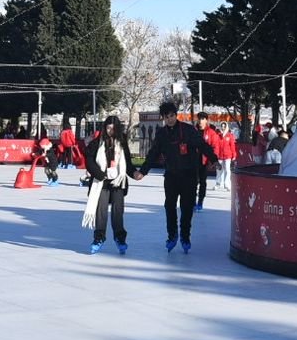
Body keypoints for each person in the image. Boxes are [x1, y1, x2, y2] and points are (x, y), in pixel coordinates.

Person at [134, 101, 216, 253]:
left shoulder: (188, 130)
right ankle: (172, 235)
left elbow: (202, 145)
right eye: (167, 117)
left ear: (176, 115)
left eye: (172, 115)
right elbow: (153, 153)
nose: (170, 119)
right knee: (169, 206)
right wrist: (143, 171)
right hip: (171, 176)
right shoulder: (161, 134)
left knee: (187, 208)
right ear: (163, 118)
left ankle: (185, 236)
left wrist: (214, 159)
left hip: (189, 175)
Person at [82, 116, 135, 254]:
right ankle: (99, 238)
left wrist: (135, 173)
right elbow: (89, 160)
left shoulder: (122, 142)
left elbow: (127, 162)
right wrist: (99, 174)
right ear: (105, 128)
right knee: (101, 211)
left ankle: (120, 238)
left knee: (118, 212)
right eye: (108, 128)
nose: (111, 131)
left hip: (117, 181)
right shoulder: (97, 142)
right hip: (101, 182)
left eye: (114, 128)